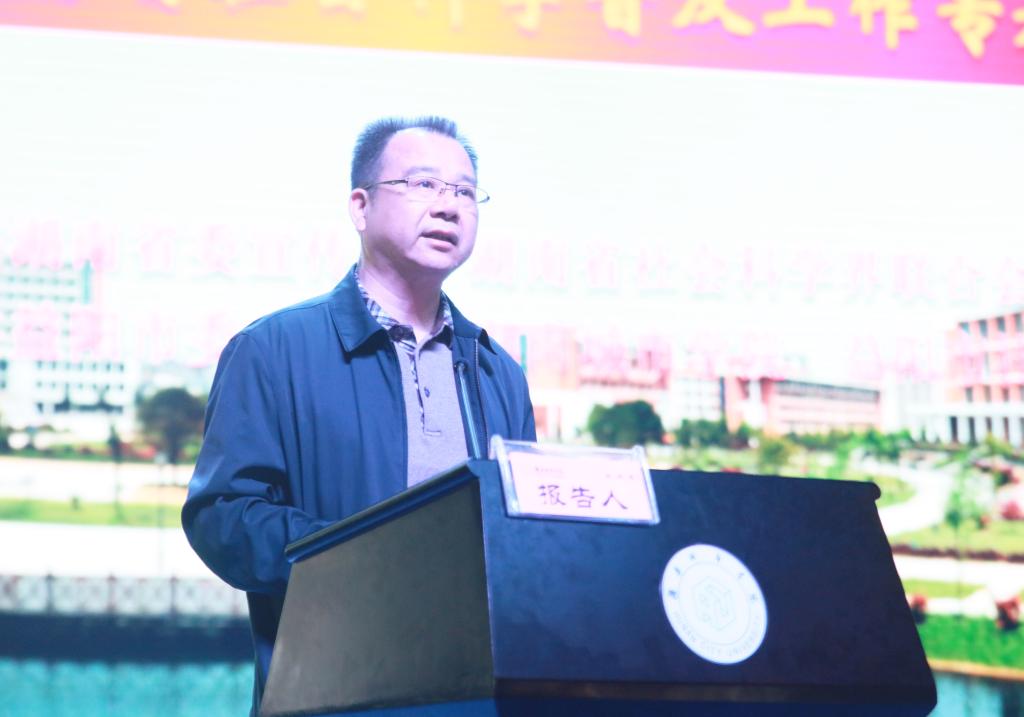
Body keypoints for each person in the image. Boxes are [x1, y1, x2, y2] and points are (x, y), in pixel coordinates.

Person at [181, 116, 536, 714]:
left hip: (474, 699)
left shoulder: (498, 372)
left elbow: (523, 534)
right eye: (423, 184)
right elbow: (224, 517)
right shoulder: (272, 350)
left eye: (464, 191)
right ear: (360, 207)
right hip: (332, 694)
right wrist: (366, 559)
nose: (448, 206)